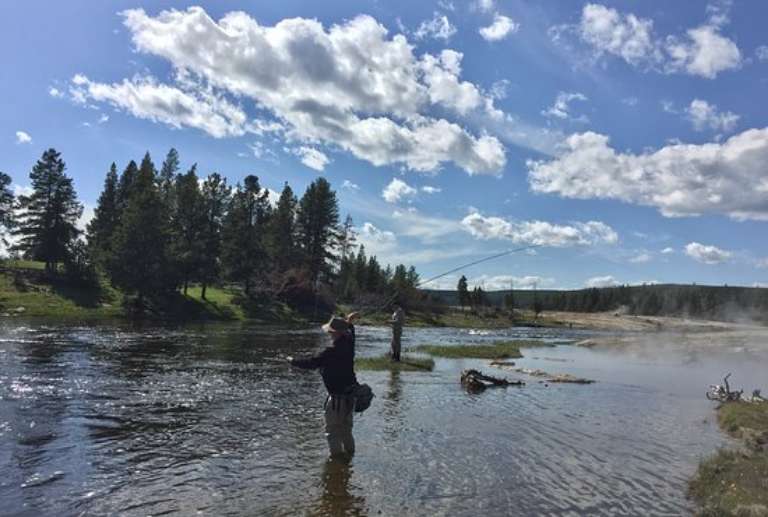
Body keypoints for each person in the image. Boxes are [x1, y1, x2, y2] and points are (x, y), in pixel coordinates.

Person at [288, 312, 359, 458]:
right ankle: (349, 461)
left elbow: (312, 363)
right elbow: (351, 331)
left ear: (336, 333)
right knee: (346, 430)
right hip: (351, 396)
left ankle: (337, 464)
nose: (329, 335)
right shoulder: (350, 343)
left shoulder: (330, 352)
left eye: (331, 332)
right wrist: (349, 322)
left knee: (332, 432)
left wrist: (292, 361)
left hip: (337, 399)